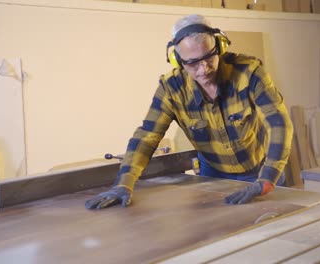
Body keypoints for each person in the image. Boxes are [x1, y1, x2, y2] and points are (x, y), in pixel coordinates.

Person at [85, 14, 293, 210]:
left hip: (259, 170)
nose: (204, 69)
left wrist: (267, 179)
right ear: (177, 59)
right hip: (213, 174)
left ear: (219, 47)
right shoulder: (172, 89)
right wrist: (125, 183)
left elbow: (279, 123)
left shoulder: (249, 72)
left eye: (209, 57)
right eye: (192, 63)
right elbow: (146, 137)